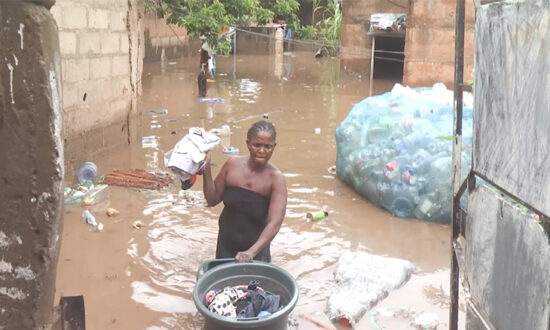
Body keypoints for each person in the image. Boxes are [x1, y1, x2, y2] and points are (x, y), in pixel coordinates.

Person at [202, 120, 287, 263]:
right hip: (225, 245)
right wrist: (206, 168)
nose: (261, 151)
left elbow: (275, 223)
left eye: (268, 147)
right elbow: (212, 199)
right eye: (256, 145)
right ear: (248, 144)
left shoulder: (276, 179)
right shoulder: (232, 165)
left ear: (274, 147)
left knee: (254, 286)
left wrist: (250, 253)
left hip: (256, 250)